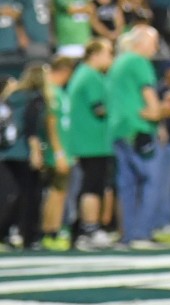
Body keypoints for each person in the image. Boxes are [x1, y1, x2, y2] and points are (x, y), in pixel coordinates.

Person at [108, 25, 164, 248]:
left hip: (118, 129)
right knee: (151, 181)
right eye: (153, 42)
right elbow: (150, 100)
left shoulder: (118, 62)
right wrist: (158, 115)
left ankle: (129, 232)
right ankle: (141, 232)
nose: (156, 48)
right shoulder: (139, 62)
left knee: (126, 184)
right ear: (140, 43)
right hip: (138, 128)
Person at [66, 38, 115, 250]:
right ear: (95, 55)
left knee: (90, 185)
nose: (110, 58)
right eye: (108, 53)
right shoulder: (91, 76)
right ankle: (90, 229)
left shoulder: (83, 74)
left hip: (87, 141)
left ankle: (81, 230)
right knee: (92, 186)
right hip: (92, 142)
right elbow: (100, 108)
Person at [0, 65, 52, 250]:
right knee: (30, 196)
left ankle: (7, 234)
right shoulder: (35, 99)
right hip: (23, 153)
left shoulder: (11, 97)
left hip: (5, 152)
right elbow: (31, 129)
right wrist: (37, 153)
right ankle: (29, 236)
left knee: (9, 195)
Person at [38, 56, 76, 250]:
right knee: (54, 192)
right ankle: (47, 231)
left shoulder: (60, 92)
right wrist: (59, 153)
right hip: (56, 153)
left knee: (60, 192)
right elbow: (51, 124)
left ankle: (54, 229)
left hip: (64, 151)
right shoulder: (51, 92)